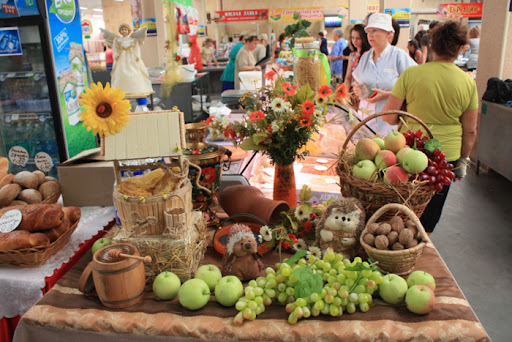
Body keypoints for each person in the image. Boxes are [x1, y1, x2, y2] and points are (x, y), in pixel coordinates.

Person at [382, 21, 478, 233]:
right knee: (430, 214)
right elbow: (470, 129)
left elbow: (389, 117)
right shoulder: (468, 82)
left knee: (403, 208)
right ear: (460, 48)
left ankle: (397, 248)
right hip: (446, 157)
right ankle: (422, 247)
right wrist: (464, 158)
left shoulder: (411, 74)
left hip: (410, 150)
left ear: (432, 45)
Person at [352, 13, 416, 135]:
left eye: (375, 31)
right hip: (365, 121)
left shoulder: (399, 56)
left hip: (390, 126)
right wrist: (359, 90)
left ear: (389, 34)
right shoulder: (365, 57)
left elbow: (415, 87)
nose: (370, 35)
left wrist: (387, 94)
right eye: (368, 31)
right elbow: (358, 82)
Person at [100, 23, 154, 97]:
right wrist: (116, 55)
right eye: (122, 30)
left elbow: (136, 48)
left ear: (128, 31)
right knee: (121, 73)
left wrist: (137, 56)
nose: (124, 31)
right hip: (122, 58)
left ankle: (137, 89)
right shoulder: (117, 40)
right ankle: (122, 90)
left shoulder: (133, 40)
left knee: (135, 72)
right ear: (120, 31)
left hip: (131, 57)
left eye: (125, 30)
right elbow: (115, 49)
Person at [344, 24, 371, 90]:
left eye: (358, 38)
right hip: (354, 89)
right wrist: (346, 92)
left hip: (367, 90)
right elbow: (348, 77)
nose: (354, 41)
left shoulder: (370, 54)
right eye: (353, 38)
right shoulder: (352, 55)